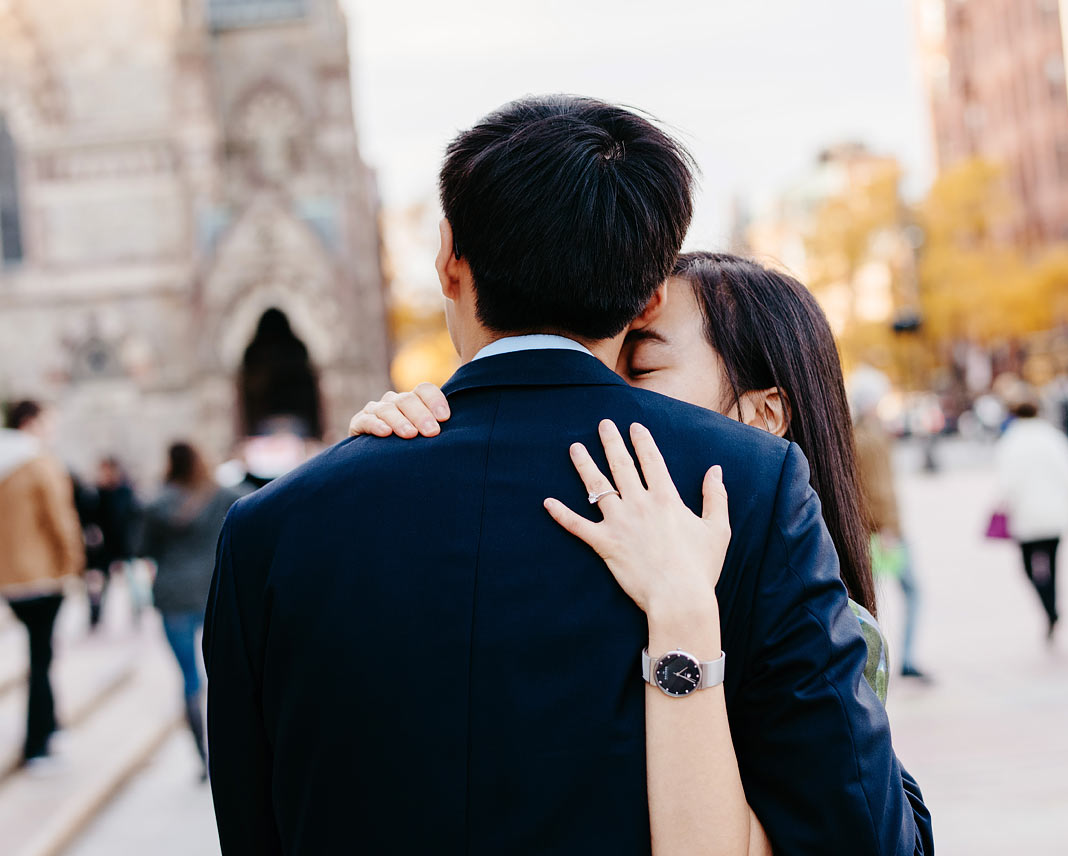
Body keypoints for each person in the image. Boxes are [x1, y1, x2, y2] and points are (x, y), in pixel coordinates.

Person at [204, 96, 931, 855]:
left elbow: (254, 831)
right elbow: (867, 835)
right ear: (648, 292)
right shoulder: (744, 484)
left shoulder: (271, 530)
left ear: (449, 258)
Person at [355, 254, 902, 705]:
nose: (599, 394)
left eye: (638, 370)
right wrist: (416, 445)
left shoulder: (824, 635)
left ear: (764, 415)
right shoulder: (581, 561)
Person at [139, 442, 239, 779]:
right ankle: (231, 751)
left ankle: (202, 756)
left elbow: (143, 548)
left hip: (172, 594)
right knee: (227, 675)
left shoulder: (155, 504)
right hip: (214, 589)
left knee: (189, 678)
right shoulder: (222, 496)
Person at [0, 400, 83, 768]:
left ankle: (49, 727)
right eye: (48, 421)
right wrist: (74, 565)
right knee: (42, 657)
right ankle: (38, 740)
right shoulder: (37, 462)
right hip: (43, 576)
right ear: (31, 422)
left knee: (40, 655)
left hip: (10, 578)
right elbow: (59, 518)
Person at [847, 369, 930, 681]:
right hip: (884, 532)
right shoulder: (872, 438)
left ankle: (870, 659)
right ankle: (903, 658)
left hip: (866, 530)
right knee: (910, 591)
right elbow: (881, 489)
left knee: (869, 597)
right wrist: (890, 527)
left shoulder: (854, 434)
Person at [995, 398, 1068, 640]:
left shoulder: (1010, 442)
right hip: (1055, 512)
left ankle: (1049, 608)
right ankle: (1052, 606)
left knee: (1028, 568)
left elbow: (1007, 482)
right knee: (1053, 564)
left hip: (1026, 515)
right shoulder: (1053, 437)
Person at [83, 456, 141, 630]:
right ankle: (95, 615)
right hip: (102, 548)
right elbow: (89, 519)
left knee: (133, 583)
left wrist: (136, 544)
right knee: (98, 585)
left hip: (125, 546)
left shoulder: (126, 492)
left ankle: (137, 613)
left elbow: (135, 518)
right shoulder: (95, 494)